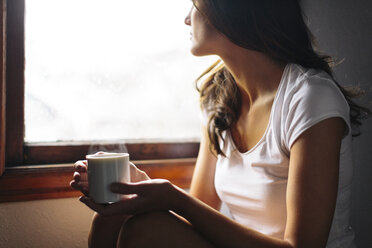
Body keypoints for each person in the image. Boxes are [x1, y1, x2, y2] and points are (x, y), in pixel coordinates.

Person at [70, 0, 370, 247]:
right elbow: (202, 208)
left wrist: (174, 198)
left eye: (194, 5)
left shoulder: (310, 98)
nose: (187, 19)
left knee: (144, 230)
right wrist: (140, 186)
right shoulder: (220, 96)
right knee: (110, 216)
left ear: (228, 11)